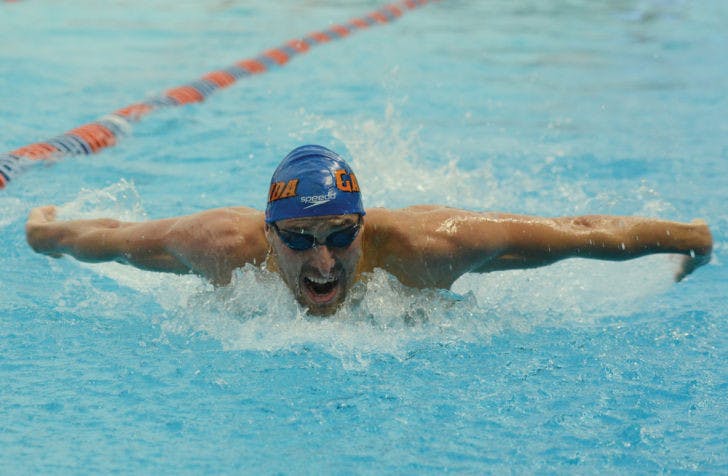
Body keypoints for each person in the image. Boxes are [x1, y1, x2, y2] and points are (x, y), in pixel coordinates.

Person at [26, 145, 713, 315]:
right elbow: (110, 237)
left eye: (340, 234)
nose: (321, 258)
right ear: (268, 235)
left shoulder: (429, 248)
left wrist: (690, 236)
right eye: (298, 238)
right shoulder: (219, 245)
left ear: (364, 227)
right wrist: (43, 229)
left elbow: (580, 232)